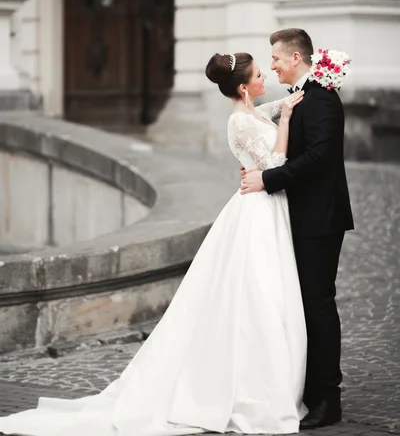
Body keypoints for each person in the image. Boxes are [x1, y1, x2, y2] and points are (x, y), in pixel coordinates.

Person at [0, 53, 307, 436]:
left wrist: (296, 97)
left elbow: (269, 110)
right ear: (244, 87)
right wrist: (289, 121)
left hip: (264, 210)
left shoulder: (253, 112)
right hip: (257, 211)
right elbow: (276, 161)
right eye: (261, 75)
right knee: (257, 293)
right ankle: (251, 385)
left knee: (266, 291)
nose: (266, 79)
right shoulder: (239, 122)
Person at [241, 29, 354, 430]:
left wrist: (268, 181)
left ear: (294, 58)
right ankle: (307, 390)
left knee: (317, 304)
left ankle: (329, 398)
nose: (270, 65)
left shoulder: (321, 97)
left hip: (319, 219)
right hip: (300, 215)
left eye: (274, 58)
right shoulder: (301, 96)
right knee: (302, 305)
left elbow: (322, 156)